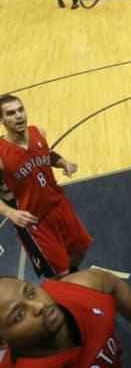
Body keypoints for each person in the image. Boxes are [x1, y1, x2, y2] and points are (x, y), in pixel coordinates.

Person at [0, 269, 131, 367]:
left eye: (31, 293)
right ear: (2, 343)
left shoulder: (80, 289)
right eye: (19, 315)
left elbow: (113, 284)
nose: (39, 306)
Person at [0, 94, 93, 280]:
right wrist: (10, 213)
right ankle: (63, 296)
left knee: (81, 250)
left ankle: (69, 280)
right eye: (10, 113)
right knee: (59, 273)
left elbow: (46, 153)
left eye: (20, 110)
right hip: (34, 219)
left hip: (59, 205)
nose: (18, 116)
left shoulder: (38, 133)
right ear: (1, 120)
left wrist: (63, 162)